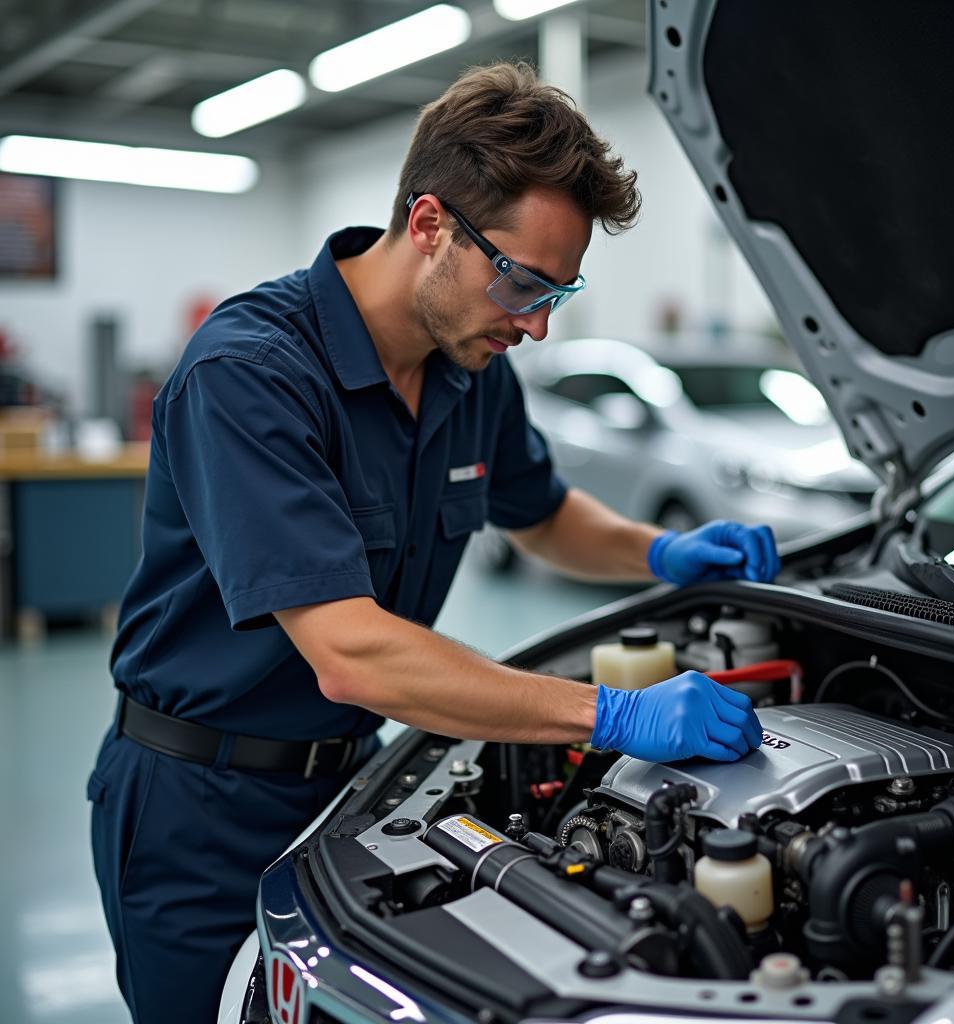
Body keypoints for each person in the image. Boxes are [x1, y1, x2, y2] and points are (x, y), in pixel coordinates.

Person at [88, 61, 779, 1023]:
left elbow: (539, 513)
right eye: (524, 282)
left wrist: (661, 552)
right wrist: (613, 714)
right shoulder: (249, 377)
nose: (536, 325)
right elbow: (351, 653)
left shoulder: (471, 366)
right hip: (199, 810)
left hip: (353, 790)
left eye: (559, 294)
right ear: (428, 226)